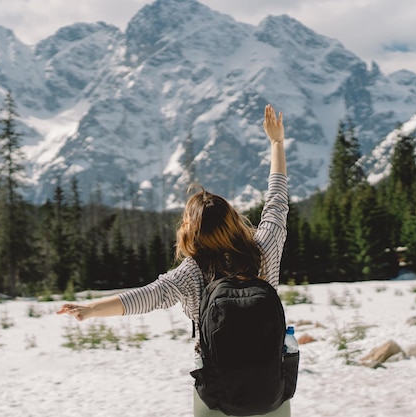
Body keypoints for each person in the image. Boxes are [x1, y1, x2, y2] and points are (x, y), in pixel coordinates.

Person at [57, 104, 290, 417]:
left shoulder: (193, 271)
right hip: (269, 389)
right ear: (233, 220)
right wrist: (276, 143)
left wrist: (92, 309)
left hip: (217, 392)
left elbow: (147, 296)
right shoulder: (263, 249)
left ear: (191, 231)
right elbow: (276, 204)